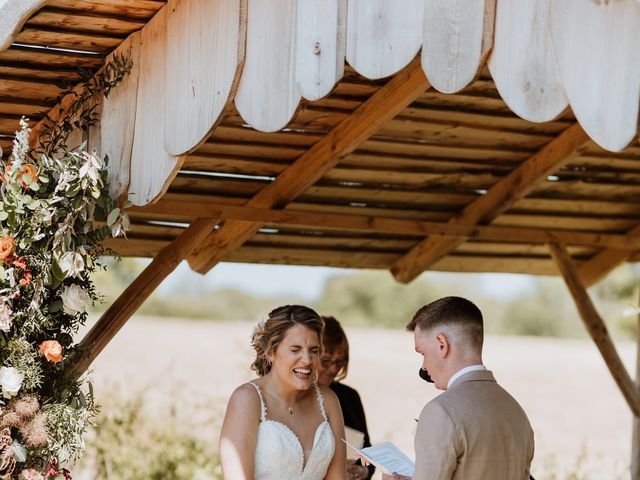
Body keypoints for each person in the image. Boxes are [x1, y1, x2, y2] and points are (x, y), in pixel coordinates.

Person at [384, 296, 534, 480]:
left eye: (422, 353)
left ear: (442, 344)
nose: (423, 366)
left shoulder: (440, 411)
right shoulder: (516, 412)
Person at [219, 305, 347, 480]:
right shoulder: (247, 399)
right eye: (295, 350)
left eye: (314, 351)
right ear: (271, 352)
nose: (307, 360)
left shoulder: (328, 400)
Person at [317, 316, 375, 480]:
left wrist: (363, 471)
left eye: (340, 360)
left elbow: (367, 451)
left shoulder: (349, 396)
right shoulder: (294, 399)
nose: (334, 368)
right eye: (326, 361)